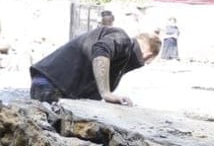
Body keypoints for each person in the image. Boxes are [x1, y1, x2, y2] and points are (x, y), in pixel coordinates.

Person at [29, 26, 160, 105]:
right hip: (52, 84)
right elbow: (101, 51)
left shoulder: (122, 55)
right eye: (148, 61)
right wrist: (106, 93)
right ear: (148, 55)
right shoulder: (122, 39)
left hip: (51, 83)